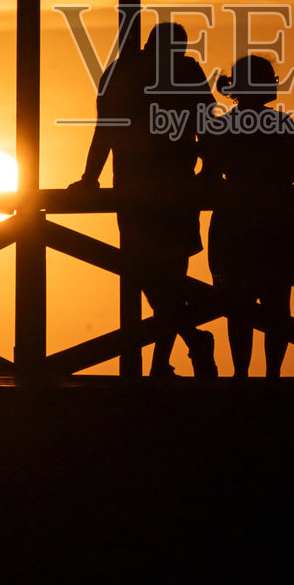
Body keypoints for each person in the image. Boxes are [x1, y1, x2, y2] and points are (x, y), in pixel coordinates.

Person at [69, 22, 218, 378]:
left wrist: (210, 171)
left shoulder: (160, 70)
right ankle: (187, 344)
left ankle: (163, 363)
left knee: (163, 275)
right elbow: (106, 125)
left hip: (164, 186)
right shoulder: (144, 70)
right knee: (158, 275)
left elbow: (205, 122)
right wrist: (91, 177)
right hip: (153, 186)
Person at [200, 56, 294, 378]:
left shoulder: (222, 126)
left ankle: (241, 375)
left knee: (238, 303)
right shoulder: (281, 123)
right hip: (277, 218)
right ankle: (272, 374)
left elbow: (209, 166)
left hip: (234, 218)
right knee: (277, 302)